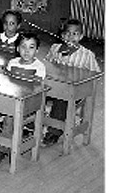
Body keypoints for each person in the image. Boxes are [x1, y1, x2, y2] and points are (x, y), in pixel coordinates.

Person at [0, 32, 46, 168]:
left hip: (26, 104)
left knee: (11, 117)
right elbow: (6, 84)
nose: (26, 51)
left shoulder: (39, 67)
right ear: (17, 48)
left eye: (31, 47)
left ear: (37, 50)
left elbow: (36, 88)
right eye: (23, 47)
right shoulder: (12, 62)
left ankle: (2, 149)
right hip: (9, 100)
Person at [41, 19, 101, 147]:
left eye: (75, 34)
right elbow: (46, 65)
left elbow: (95, 74)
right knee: (35, 94)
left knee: (61, 101)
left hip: (76, 93)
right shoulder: (55, 48)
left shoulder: (87, 55)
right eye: (67, 33)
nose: (71, 37)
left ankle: (54, 132)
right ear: (62, 36)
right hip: (53, 88)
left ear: (81, 36)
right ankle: (31, 126)